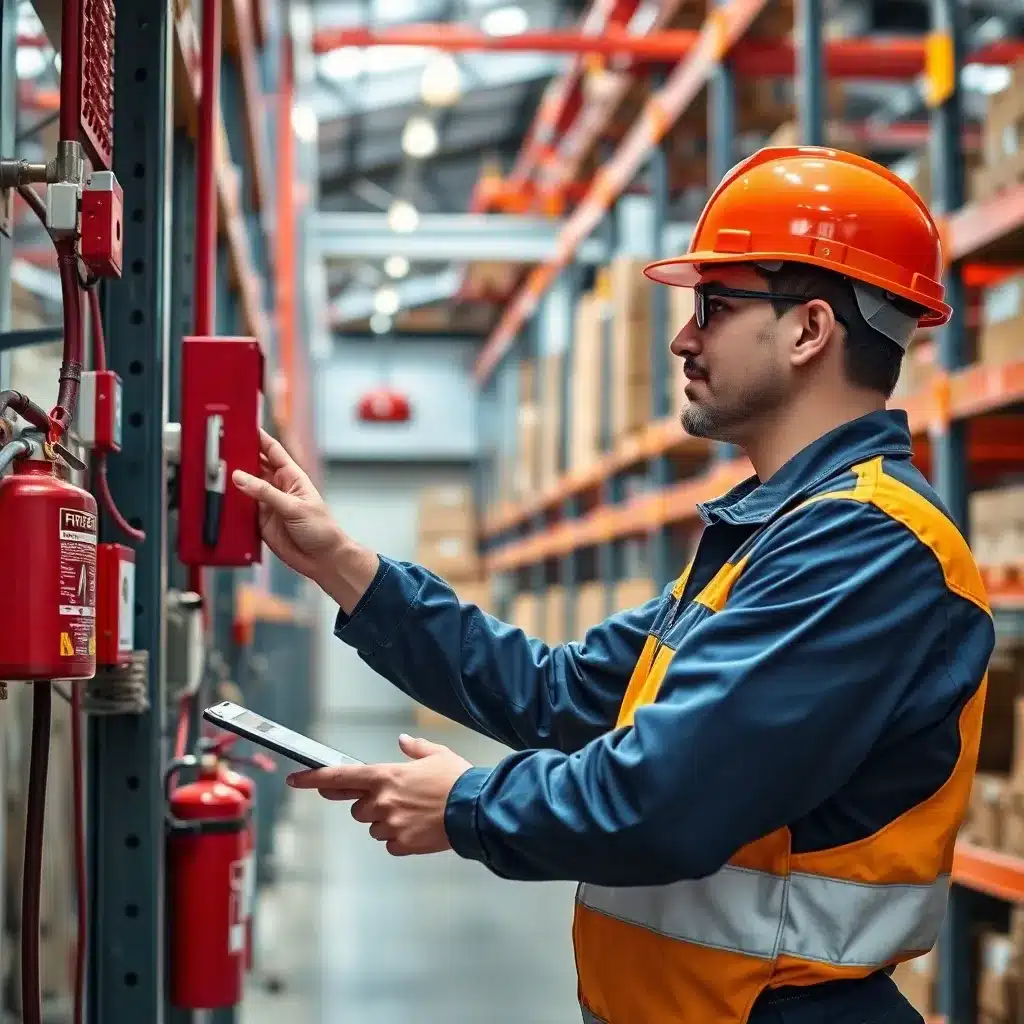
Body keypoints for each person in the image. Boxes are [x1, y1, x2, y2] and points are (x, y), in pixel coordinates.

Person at [233, 146, 995, 1024]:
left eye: (715, 306)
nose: (683, 338)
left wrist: (466, 804)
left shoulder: (866, 545)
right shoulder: (774, 533)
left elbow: (666, 799)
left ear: (808, 330)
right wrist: (342, 564)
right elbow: (559, 693)